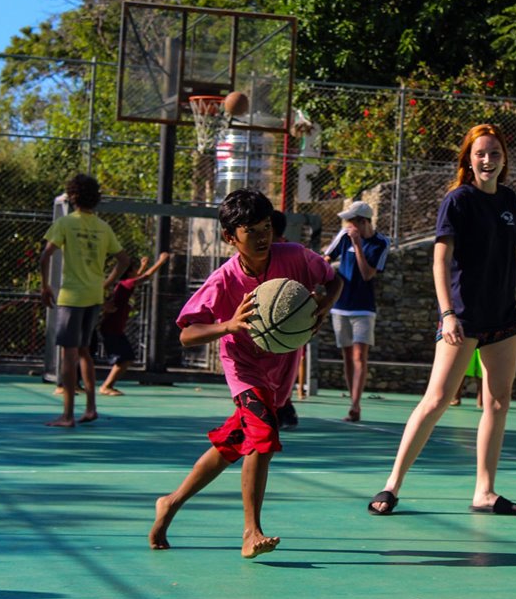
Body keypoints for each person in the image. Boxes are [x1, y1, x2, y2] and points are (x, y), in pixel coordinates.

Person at [148, 189, 342, 558]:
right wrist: (229, 325)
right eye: (251, 230)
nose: (262, 236)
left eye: (266, 227)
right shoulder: (223, 281)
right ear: (229, 237)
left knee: (230, 446)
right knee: (263, 436)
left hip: (281, 369)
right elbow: (187, 334)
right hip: (244, 369)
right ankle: (251, 531)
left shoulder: (296, 257)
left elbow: (335, 280)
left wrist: (322, 309)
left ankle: (170, 503)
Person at [367, 124, 516, 516]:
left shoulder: (510, 201)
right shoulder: (458, 201)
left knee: (498, 402)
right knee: (437, 400)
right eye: (480, 153)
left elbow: (514, 258)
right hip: (463, 317)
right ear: (468, 158)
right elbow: (440, 259)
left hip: (502, 316)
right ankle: (391, 485)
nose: (487, 160)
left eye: (495, 153)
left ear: (504, 160)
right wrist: (447, 314)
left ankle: (484, 491)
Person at [40, 173, 131, 427]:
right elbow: (124, 260)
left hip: (72, 296)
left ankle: (67, 414)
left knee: (68, 355)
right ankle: (90, 408)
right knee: (84, 352)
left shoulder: (67, 223)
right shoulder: (103, 227)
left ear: (72, 196)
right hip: (93, 296)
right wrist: (106, 282)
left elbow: (45, 256)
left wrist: (45, 286)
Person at [323, 200, 390, 422]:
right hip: (340, 306)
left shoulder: (381, 243)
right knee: (347, 356)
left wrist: (359, 246)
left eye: (351, 221)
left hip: (364, 308)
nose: (348, 225)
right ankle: (352, 401)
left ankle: (355, 405)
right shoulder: (343, 236)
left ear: (363, 222)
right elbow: (326, 259)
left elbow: (368, 274)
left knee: (360, 355)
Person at [98, 252, 171, 396]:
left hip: (114, 329)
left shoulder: (123, 285)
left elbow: (136, 277)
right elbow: (144, 278)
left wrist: (143, 266)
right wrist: (160, 262)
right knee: (124, 359)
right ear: (129, 272)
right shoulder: (126, 284)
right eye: (134, 269)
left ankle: (107, 385)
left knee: (126, 358)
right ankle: (106, 386)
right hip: (111, 329)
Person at [270, 210, 301, 429]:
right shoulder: (295, 251)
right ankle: (284, 409)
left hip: (287, 320)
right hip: (281, 320)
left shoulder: (288, 253)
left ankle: (282, 409)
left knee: (279, 369)